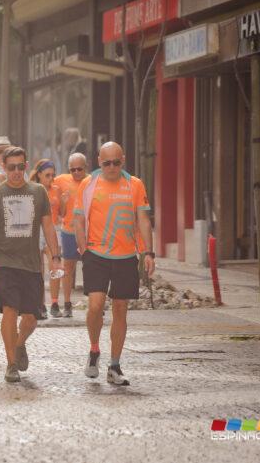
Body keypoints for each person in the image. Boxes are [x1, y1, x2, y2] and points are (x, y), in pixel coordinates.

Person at [0, 146, 62, 383]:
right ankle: (11, 364)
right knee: (10, 311)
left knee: (31, 318)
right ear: (3, 167)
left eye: (20, 167)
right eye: (11, 167)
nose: (16, 172)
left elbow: (48, 226)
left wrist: (55, 257)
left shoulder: (38, 192)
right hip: (3, 262)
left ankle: (20, 343)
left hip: (31, 264)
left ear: (26, 167)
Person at [75, 142, 154, 386]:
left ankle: (115, 365)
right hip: (96, 255)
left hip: (126, 256)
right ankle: (94, 349)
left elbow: (143, 219)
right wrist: (83, 248)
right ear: (99, 161)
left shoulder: (135, 184)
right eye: (106, 162)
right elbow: (79, 219)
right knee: (95, 305)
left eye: (116, 162)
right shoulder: (89, 184)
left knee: (120, 308)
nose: (111, 167)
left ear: (123, 160)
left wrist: (148, 252)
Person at [54, 153, 89, 317]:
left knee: (91, 267)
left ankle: (94, 303)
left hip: (89, 232)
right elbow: (59, 210)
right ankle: (67, 303)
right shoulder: (61, 180)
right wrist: (62, 201)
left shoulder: (92, 181)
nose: (76, 172)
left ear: (86, 167)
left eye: (79, 169)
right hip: (68, 231)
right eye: (72, 169)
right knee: (67, 268)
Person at [30, 159, 63, 319]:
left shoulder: (56, 189)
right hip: (37, 229)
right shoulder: (32, 189)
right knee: (39, 269)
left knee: (55, 267)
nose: (51, 178)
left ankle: (55, 302)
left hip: (53, 229)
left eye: (53, 175)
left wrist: (63, 202)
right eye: (47, 175)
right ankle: (40, 303)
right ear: (39, 175)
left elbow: (62, 212)